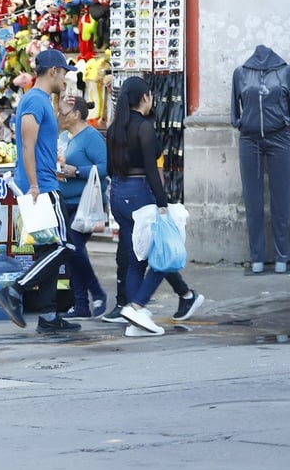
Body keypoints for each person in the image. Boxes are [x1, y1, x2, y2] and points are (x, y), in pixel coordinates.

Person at [107, 76, 204, 337]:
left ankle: (133, 316)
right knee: (162, 253)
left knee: (135, 258)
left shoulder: (115, 127)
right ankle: (137, 307)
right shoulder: (144, 128)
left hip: (118, 192)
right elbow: (152, 170)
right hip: (140, 192)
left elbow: (108, 167)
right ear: (145, 97)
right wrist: (163, 204)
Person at [0, 49, 81, 334]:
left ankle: (48, 316)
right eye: (64, 72)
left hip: (41, 183)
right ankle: (15, 290)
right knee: (63, 246)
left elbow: (43, 140)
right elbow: (28, 145)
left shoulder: (41, 101)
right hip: (41, 187)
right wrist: (33, 185)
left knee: (47, 251)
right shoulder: (33, 100)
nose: (66, 77)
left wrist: (62, 114)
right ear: (53, 71)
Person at [232, 45, 290, 274]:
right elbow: (235, 109)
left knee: (282, 199)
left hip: (280, 137)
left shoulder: (287, 72)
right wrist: (239, 122)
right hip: (249, 139)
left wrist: (286, 120)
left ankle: (282, 258)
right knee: (252, 201)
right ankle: (256, 258)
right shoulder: (240, 73)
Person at [56, 98, 108, 319]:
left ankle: (97, 292)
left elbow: (106, 167)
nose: (60, 115)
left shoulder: (91, 137)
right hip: (65, 201)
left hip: (84, 202)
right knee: (72, 252)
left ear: (76, 114)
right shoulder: (63, 137)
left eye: (64, 112)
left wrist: (76, 172)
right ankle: (81, 305)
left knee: (75, 246)